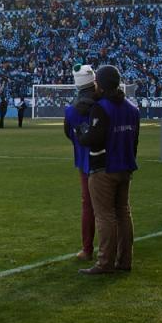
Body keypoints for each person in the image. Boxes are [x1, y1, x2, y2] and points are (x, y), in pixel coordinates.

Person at [77, 65, 140, 275]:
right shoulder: (132, 108)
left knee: (104, 215)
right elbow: (134, 140)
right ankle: (125, 260)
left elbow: (94, 139)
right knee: (123, 212)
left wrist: (81, 133)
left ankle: (105, 262)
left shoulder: (101, 107)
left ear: (101, 84)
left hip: (104, 167)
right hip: (126, 165)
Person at [64, 65, 97, 262]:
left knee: (88, 206)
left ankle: (87, 248)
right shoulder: (105, 105)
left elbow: (68, 133)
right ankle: (119, 249)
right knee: (115, 208)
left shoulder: (71, 111)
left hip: (85, 161)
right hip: (109, 159)